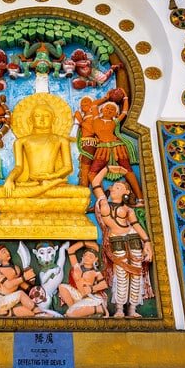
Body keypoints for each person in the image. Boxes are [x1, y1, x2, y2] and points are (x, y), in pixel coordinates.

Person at [91, 167, 153, 317]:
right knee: (121, 276)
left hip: (133, 240)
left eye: (118, 187)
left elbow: (137, 226)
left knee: (136, 275)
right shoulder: (104, 203)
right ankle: (119, 309)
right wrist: (107, 169)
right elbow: (95, 182)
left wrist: (147, 243)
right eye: (113, 186)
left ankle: (132, 309)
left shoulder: (128, 209)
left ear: (125, 193)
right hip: (116, 241)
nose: (112, 188)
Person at [87, 92, 143, 202]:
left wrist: (125, 98)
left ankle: (140, 198)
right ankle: (101, 198)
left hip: (118, 148)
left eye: (112, 110)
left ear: (115, 114)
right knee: (92, 173)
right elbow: (93, 105)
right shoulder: (96, 119)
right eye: (107, 108)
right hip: (102, 149)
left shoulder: (115, 122)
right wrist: (106, 97)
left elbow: (125, 112)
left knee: (128, 171)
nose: (108, 110)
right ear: (101, 110)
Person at [0, 245, 42, 316]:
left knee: (31, 313)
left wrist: (31, 287)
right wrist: (24, 277)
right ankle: (40, 312)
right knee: (21, 294)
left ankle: (5, 313)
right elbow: (8, 285)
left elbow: (19, 283)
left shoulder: (16, 268)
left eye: (7, 251)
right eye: (4, 252)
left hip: (10, 301)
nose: (7, 253)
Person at [58, 241, 109, 317]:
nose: (87, 258)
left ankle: (99, 308)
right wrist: (84, 242)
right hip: (78, 295)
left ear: (95, 260)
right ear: (82, 257)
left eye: (90, 256)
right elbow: (70, 250)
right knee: (62, 287)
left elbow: (104, 285)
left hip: (90, 297)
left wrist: (91, 288)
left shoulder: (95, 272)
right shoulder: (77, 267)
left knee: (70, 314)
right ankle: (75, 309)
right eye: (85, 255)